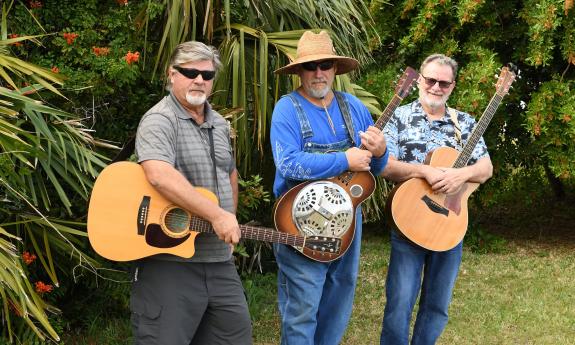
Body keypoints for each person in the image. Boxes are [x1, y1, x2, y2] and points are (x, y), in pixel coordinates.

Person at [270, 30, 389, 345]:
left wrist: (380, 152)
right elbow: (289, 164)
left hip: (347, 220)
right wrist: (343, 159)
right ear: (299, 72)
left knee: (339, 299)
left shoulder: (353, 107)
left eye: (325, 65)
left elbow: (371, 169)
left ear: (336, 69)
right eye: (311, 66)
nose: (319, 73)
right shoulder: (287, 109)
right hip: (299, 220)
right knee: (303, 307)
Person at [132, 41, 252, 345]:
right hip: (170, 262)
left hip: (218, 260)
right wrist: (217, 215)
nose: (199, 79)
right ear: (172, 74)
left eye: (207, 75)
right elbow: (158, 175)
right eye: (190, 72)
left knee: (235, 336)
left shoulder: (221, 124)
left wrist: (230, 220)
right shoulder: (160, 120)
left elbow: (230, 174)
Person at [379, 54, 493, 345]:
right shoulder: (399, 117)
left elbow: (485, 168)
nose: (436, 87)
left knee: (438, 305)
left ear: (452, 87)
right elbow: (385, 165)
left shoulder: (464, 122)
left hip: (449, 224)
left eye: (444, 83)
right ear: (419, 81)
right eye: (431, 80)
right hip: (408, 220)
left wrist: (460, 175)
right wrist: (424, 170)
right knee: (399, 304)